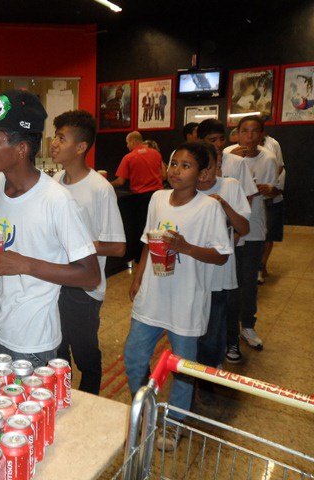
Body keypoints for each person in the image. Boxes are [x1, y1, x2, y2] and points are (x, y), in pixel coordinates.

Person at [0, 90, 100, 368]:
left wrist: (23, 264)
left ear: (21, 149)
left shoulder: (56, 200)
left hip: (32, 342)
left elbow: (91, 276)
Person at [123, 142, 231, 450]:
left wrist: (186, 247)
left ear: (203, 173)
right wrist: (139, 277)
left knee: (183, 367)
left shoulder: (208, 208)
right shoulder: (157, 198)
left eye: (186, 166)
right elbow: (148, 241)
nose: (176, 171)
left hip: (186, 299)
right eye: (173, 164)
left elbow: (221, 255)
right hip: (153, 295)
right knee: (134, 356)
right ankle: (145, 410)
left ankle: (174, 423)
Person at [50, 110, 126, 395]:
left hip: (83, 287)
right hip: (54, 280)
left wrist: (78, 244)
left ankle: (92, 399)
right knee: (57, 349)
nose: (54, 144)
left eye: (62, 138)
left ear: (81, 147)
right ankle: (62, 399)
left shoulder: (99, 189)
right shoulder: (55, 181)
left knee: (85, 353)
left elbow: (117, 246)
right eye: (55, 137)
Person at [195, 145, 250, 401]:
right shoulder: (185, 188)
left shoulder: (230, 186)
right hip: (191, 275)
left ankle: (209, 379)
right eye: (200, 168)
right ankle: (193, 374)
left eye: (210, 166)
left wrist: (223, 205)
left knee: (213, 331)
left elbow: (244, 228)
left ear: (218, 163)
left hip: (219, 276)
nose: (204, 174)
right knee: (192, 331)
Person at [222, 116, 279, 357]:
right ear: (237, 133)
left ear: (262, 134)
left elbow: (273, 191)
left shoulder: (269, 158)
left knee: (248, 281)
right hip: (230, 228)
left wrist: (269, 190)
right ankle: (227, 330)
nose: (249, 136)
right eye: (244, 131)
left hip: (253, 227)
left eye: (255, 131)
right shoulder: (227, 154)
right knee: (229, 282)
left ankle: (248, 325)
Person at [111, 131, 165, 261]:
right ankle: (159, 255)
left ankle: (141, 259)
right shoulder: (156, 154)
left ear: (133, 141)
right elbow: (164, 175)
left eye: (127, 143)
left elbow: (120, 181)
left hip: (141, 199)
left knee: (142, 229)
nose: (127, 146)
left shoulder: (129, 157)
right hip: (158, 196)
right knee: (156, 226)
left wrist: (105, 185)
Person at [259, 133, 286, 282]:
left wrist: (270, 184)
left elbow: (280, 167)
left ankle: (261, 266)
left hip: (270, 199)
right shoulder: (237, 151)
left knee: (268, 235)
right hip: (251, 200)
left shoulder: (272, 144)